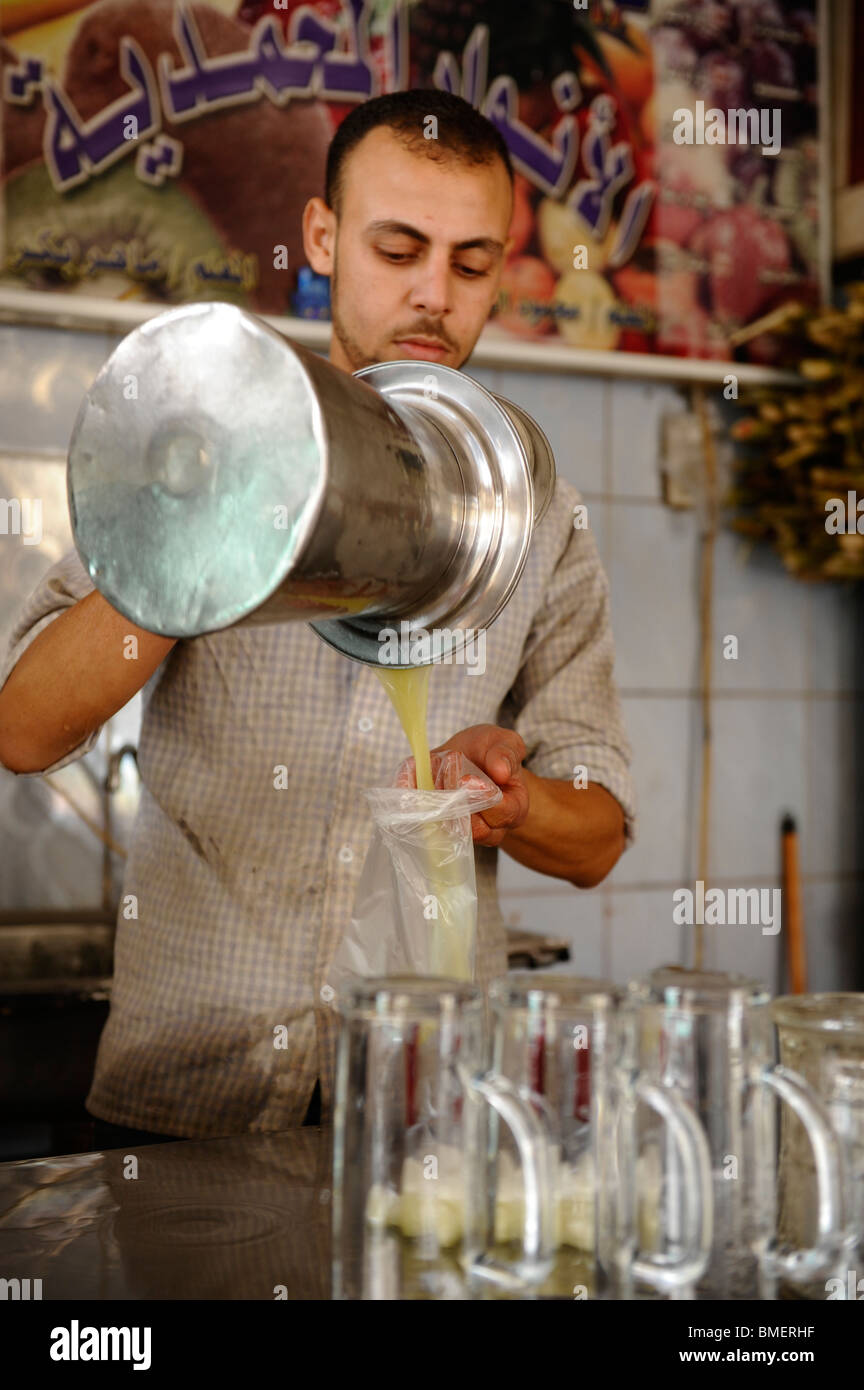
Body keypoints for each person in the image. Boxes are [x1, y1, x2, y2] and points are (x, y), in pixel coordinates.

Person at [0, 89, 635, 1145]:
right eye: (399, 249)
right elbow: (23, 729)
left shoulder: (541, 512)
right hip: (185, 1100)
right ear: (324, 238)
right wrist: (200, 543)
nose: (435, 295)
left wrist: (515, 800)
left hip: (424, 1113)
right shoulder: (202, 440)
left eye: (473, 264)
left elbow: (601, 834)